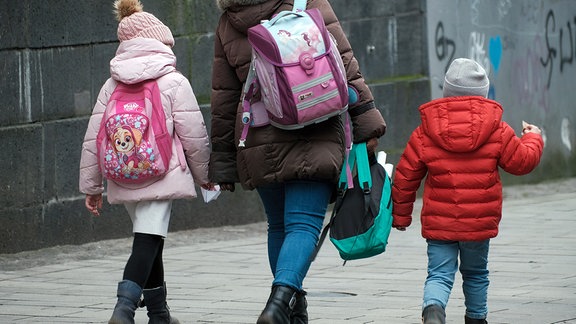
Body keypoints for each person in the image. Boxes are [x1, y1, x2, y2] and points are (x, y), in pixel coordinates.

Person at [209, 0, 386, 323]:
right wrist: (366, 123)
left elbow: (224, 97)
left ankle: (293, 308)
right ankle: (278, 305)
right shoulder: (308, 1)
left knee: (278, 225)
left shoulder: (229, 20)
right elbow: (345, 63)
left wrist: (223, 160)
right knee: (303, 223)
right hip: (315, 124)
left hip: (260, 134)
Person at [79, 0, 213, 323]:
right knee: (147, 241)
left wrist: (92, 186)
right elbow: (193, 134)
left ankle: (159, 313)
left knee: (151, 239)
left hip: (122, 174)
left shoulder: (111, 84)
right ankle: (123, 310)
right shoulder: (173, 81)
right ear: (159, 41)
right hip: (162, 173)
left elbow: (93, 136)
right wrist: (206, 174)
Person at [391, 58, 544, 324]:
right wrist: (533, 137)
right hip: (478, 222)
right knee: (475, 273)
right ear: (483, 93)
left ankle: (434, 312)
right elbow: (522, 162)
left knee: (438, 274)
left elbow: (406, 177)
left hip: (440, 223)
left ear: (447, 91)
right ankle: (476, 319)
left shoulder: (426, 131)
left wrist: (401, 216)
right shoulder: (497, 129)